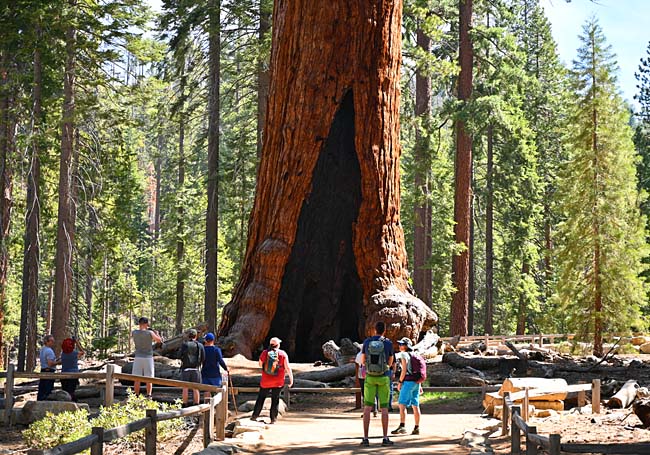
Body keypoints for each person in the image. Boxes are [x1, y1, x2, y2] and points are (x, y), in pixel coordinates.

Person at [360, 321, 394, 447]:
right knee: (384, 408)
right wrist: (385, 369)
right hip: (384, 378)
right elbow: (390, 361)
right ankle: (385, 438)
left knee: (367, 408)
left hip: (370, 378)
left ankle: (365, 438)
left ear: (374, 330)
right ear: (384, 330)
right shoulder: (388, 343)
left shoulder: (367, 342)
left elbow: (363, 360)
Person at [251, 337, 293, 424]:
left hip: (266, 381)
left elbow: (260, 364)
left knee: (261, 398)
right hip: (278, 381)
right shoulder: (282, 354)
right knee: (275, 399)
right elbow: (287, 367)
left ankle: (255, 416)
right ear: (278, 345)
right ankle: (273, 419)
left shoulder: (265, 353)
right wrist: (291, 379)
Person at [391, 337, 421, 435]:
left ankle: (402, 426)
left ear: (406, 346)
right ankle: (417, 427)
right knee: (415, 405)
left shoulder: (404, 354)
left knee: (402, 404)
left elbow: (404, 370)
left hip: (408, 382)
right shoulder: (415, 354)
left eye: (401, 344)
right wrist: (420, 384)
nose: (400, 346)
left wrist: (400, 382)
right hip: (416, 382)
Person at [131, 317, 162, 397]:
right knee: (149, 378)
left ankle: (136, 395)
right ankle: (149, 395)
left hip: (138, 357)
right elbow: (159, 340)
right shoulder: (150, 333)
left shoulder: (134, 332)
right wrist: (157, 333)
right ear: (146, 324)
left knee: (137, 378)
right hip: (148, 357)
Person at [179, 328, 205, 406]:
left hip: (186, 369)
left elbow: (179, 355)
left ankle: (184, 404)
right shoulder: (200, 345)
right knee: (196, 388)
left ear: (188, 336)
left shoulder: (185, 345)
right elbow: (203, 357)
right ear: (196, 336)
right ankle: (196, 405)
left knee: (185, 388)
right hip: (196, 369)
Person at [201, 332, 229, 401]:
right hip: (215, 374)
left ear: (205, 340)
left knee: (206, 391)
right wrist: (226, 368)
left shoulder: (203, 350)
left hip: (205, 373)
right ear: (213, 340)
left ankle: (206, 407)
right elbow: (220, 360)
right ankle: (218, 407)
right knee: (217, 391)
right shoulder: (216, 350)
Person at [355, 349, 378, 417]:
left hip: (362, 376)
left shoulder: (359, 355)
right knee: (372, 392)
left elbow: (357, 364)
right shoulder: (373, 354)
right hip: (372, 375)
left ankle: (366, 411)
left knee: (365, 393)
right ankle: (375, 409)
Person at [61, 337, 85, 401]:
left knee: (65, 391)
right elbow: (83, 352)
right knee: (72, 391)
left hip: (63, 374)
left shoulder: (63, 354)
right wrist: (77, 342)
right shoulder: (74, 353)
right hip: (73, 375)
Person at [37, 334, 60, 401]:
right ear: (47, 341)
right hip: (49, 371)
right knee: (47, 390)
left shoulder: (43, 349)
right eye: (51, 341)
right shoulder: (49, 351)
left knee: (42, 389)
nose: (53, 342)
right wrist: (59, 362)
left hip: (43, 370)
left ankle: (40, 403)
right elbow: (50, 364)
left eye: (53, 341)